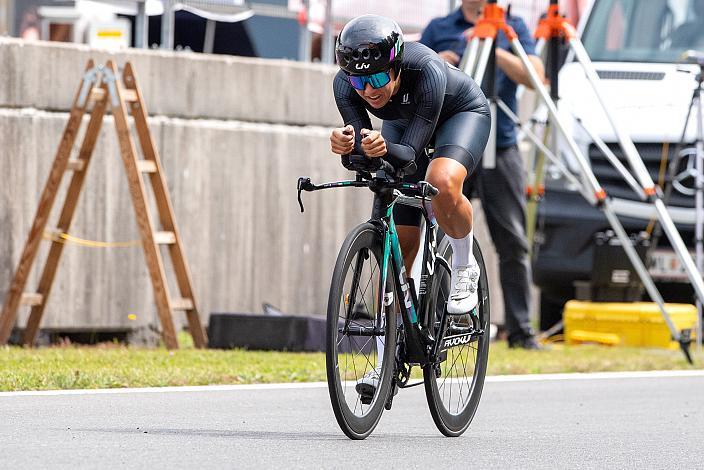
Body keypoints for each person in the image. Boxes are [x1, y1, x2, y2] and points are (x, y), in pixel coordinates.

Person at [329, 15, 490, 395]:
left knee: (439, 182)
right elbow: (367, 159)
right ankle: (387, 360)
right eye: (359, 81)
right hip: (404, 125)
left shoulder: (427, 70)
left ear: (396, 65)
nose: (369, 91)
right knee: (398, 248)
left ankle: (465, 265)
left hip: (457, 115)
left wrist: (381, 151)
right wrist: (348, 148)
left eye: (379, 79)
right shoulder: (345, 84)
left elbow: (408, 156)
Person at [420, 0, 546, 350]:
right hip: (450, 145)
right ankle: (435, 322)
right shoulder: (440, 27)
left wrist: (494, 48)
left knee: (513, 241)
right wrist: (440, 63)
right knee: (437, 228)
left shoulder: (512, 26)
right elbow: (413, 76)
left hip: (500, 145)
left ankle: (521, 331)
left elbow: (536, 77)